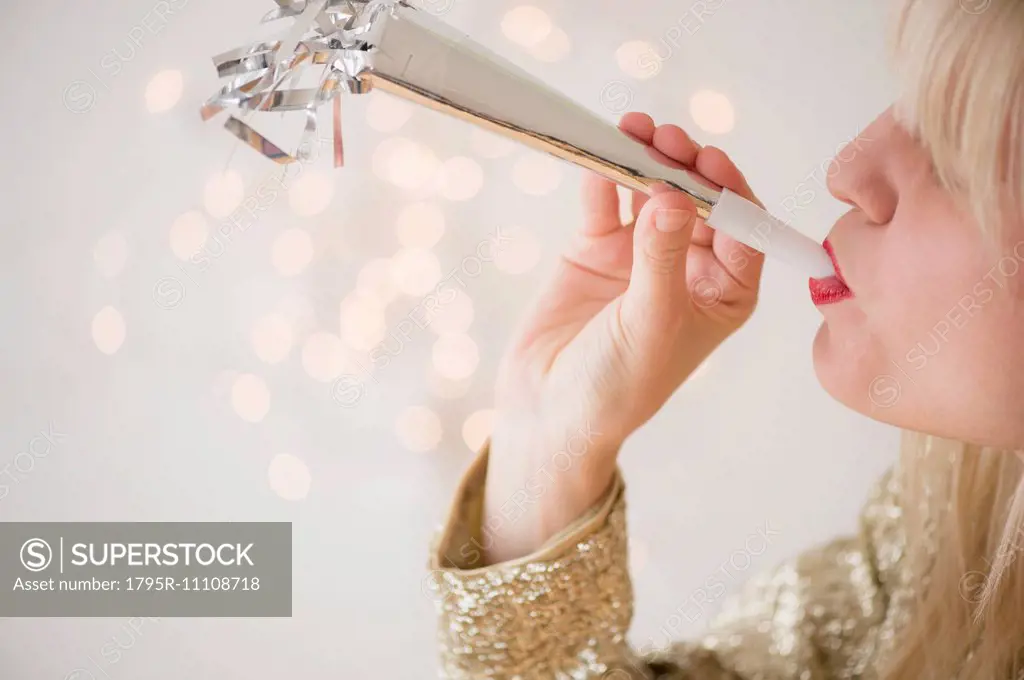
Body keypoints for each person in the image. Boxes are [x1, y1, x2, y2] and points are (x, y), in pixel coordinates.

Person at [427, 0, 1024, 677]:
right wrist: (549, 440)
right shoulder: (944, 529)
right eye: (908, 102)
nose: (847, 171)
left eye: (953, 152)